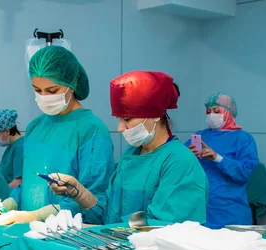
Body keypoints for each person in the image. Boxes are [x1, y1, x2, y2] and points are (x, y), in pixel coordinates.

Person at [49, 71, 208, 225]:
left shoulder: (179, 161)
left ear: (155, 116)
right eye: (118, 119)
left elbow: (160, 228)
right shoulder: (131, 154)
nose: (119, 128)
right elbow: (108, 215)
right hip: (121, 249)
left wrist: (102, 232)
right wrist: (77, 191)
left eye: (127, 119)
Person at [0, 46, 114, 224]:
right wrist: (10, 203)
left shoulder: (92, 130)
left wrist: (38, 215)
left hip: (66, 235)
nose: (44, 96)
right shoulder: (36, 126)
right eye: (37, 90)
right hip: (27, 232)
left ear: (71, 85)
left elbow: (93, 201)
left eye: (52, 91)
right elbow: (29, 182)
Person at [186, 92, 258, 229]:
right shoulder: (200, 135)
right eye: (208, 111)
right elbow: (178, 165)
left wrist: (217, 158)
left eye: (216, 111)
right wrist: (188, 155)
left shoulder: (243, 139)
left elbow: (245, 172)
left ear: (228, 113)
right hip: (201, 208)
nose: (211, 115)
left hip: (230, 209)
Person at [0, 109, 25, 189]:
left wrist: (2, 193)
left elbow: (19, 181)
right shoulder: (11, 147)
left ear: (7, 131)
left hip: (12, 197)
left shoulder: (20, 148)